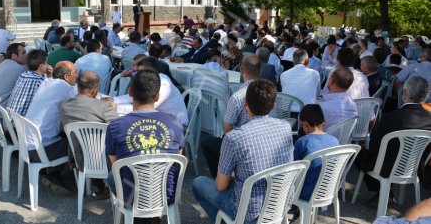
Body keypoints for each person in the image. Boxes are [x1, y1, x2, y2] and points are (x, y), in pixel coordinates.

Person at [192, 79, 293, 223]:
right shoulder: (285, 127)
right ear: (273, 106)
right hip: (280, 203)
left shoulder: (234, 137)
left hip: (248, 211)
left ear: (246, 103)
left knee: (199, 183)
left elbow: (221, 186)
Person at [105, 70, 185, 203]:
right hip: (166, 195)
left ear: (130, 92)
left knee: (112, 175)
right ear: (158, 96)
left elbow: (116, 165)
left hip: (131, 197)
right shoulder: (175, 123)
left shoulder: (115, 126)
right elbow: (177, 161)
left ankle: (132, 212)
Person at [356, 76, 431, 193]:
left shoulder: (391, 117)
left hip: (386, 168)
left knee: (358, 153)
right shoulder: (429, 119)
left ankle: (383, 192)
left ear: (404, 92)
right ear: (426, 96)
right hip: (413, 167)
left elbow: (374, 146)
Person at [25, 61, 77, 163]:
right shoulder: (66, 88)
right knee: (81, 144)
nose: (77, 75)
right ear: (66, 76)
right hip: (42, 150)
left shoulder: (46, 82)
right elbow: (76, 114)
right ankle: (64, 175)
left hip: (27, 145)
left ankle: (56, 172)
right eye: (75, 72)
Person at [294, 104, 339, 201]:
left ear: (305, 124)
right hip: (328, 191)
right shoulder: (335, 141)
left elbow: (294, 170)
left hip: (306, 193)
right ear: (324, 122)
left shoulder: (302, 142)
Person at [135, 57, 188, 125]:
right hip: (162, 119)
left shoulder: (163, 84)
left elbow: (145, 107)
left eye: (141, 73)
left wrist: (118, 107)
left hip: (176, 126)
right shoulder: (151, 80)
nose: (138, 75)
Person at [7, 50, 52, 116]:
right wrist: (50, 77)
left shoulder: (23, 75)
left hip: (10, 119)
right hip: (23, 123)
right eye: (46, 63)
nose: (48, 65)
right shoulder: (40, 81)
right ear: (41, 66)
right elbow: (50, 99)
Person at [0, 43, 28, 107]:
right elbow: (28, 89)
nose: (27, 55)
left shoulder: (5, 62)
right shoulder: (18, 68)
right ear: (14, 56)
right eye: (23, 53)